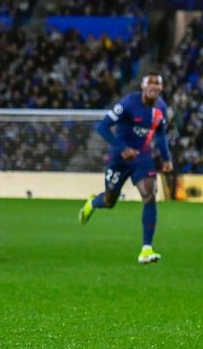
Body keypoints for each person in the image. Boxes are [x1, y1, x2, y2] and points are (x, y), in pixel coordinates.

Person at [78, 73, 173, 264]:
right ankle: (93, 203)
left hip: (142, 158)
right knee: (109, 200)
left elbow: (161, 135)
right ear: (143, 86)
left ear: (161, 88)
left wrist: (166, 158)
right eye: (150, 82)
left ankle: (146, 249)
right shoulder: (128, 104)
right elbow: (103, 127)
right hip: (119, 159)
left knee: (149, 194)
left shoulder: (161, 108)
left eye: (158, 83)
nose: (154, 86)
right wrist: (121, 149)